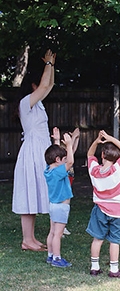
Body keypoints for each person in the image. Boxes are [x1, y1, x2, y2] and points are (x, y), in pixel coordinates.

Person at [12, 49, 56, 252]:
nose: (42, 89)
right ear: (32, 86)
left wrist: (52, 66)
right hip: (31, 152)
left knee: (35, 193)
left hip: (41, 152)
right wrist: (47, 64)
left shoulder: (38, 105)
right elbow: (45, 84)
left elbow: (50, 84)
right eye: (38, 86)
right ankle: (26, 240)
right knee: (29, 192)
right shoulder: (25, 103)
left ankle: (30, 239)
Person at [86, 130, 120, 278]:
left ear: (103, 156)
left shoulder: (94, 171)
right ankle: (114, 269)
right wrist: (111, 138)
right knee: (114, 241)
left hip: (99, 209)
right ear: (117, 158)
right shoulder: (118, 169)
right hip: (117, 211)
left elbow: (90, 155)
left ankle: (94, 267)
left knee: (97, 239)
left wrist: (97, 141)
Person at [44, 132, 74, 267]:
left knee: (52, 232)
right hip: (61, 207)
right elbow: (71, 162)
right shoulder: (58, 171)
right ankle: (57, 258)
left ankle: (50, 255)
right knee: (58, 234)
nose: (65, 161)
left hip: (53, 206)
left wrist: (56, 141)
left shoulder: (48, 170)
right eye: (63, 159)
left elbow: (55, 156)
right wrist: (69, 145)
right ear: (58, 160)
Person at [51, 126, 80, 236]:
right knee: (61, 204)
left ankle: (62, 227)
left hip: (69, 181)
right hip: (63, 180)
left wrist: (76, 137)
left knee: (65, 204)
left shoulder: (69, 152)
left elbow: (73, 149)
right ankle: (58, 228)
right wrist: (72, 139)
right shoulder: (62, 157)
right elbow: (68, 150)